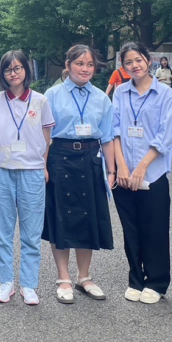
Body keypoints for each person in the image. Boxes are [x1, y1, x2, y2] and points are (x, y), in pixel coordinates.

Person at [43, 44, 115, 304]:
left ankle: (84, 277)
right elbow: (44, 135)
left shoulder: (102, 98)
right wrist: (43, 165)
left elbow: (107, 137)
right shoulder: (52, 95)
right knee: (61, 217)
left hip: (91, 158)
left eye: (90, 65)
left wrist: (112, 170)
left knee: (88, 216)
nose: (85, 69)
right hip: (60, 157)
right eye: (79, 64)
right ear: (68, 65)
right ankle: (63, 277)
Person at [111, 42, 172, 305]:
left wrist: (141, 167)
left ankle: (157, 281)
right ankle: (135, 279)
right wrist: (122, 167)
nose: (134, 66)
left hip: (153, 173)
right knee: (131, 228)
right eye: (128, 62)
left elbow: (166, 134)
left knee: (155, 227)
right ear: (123, 66)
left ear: (148, 60)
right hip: (124, 175)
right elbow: (114, 130)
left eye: (138, 60)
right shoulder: (119, 92)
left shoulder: (164, 95)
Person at [0, 50, 55, 306]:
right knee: (3, 232)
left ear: (26, 70)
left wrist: (41, 163)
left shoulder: (40, 101)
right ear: (2, 74)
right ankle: (6, 282)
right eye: (8, 70)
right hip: (2, 170)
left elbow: (46, 136)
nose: (13, 73)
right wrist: (2, 155)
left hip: (32, 172)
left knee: (31, 232)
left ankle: (29, 284)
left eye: (17, 68)